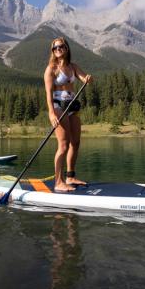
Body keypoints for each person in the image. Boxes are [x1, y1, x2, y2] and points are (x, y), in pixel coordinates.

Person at [44, 37, 92, 192]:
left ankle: (70, 176)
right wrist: (51, 114)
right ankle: (58, 182)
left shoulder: (73, 67)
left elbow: (84, 78)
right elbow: (48, 94)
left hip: (72, 106)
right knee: (63, 145)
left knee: (75, 143)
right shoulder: (51, 69)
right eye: (55, 48)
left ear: (66, 48)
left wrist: (88, 79)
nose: (58, 49)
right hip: (58, 107)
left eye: (61, 47)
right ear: (53, 51)